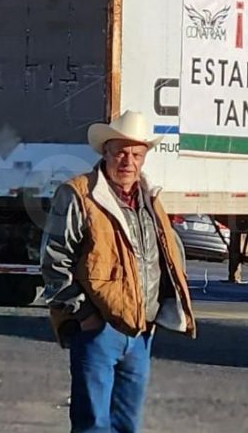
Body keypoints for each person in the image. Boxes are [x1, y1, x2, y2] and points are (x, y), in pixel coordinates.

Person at [41, 110, 196, 432]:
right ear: (106, 153)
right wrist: (85, 315)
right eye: (121, 152)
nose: (128, 161)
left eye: (136, 154)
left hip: (141, 331)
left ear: (144, 158)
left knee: (128, 425)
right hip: (98, 329)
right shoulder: (78, 194)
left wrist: (160, 314)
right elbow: (55, 261)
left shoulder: (150, 200)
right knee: (92, 425)